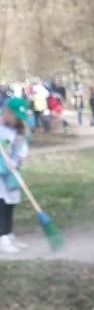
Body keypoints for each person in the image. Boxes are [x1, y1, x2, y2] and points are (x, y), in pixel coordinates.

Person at [0, 96, 33, 254]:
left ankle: (9, 233)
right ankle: (2, 238)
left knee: (10, 203)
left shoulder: (20, 131)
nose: (17, 121)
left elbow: (22, 150)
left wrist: (17, 161)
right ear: (7, 113)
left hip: (12, 173)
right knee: (1, 203)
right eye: (15, 117)